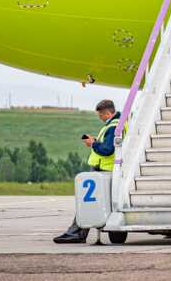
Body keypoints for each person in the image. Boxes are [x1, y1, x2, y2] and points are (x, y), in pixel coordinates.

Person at [53, 99, 121, 244]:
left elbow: (107, 150)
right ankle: (77, 232)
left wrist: (93, 144)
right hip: (108, 170)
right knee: (91, 203)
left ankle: (76, 233)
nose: (100, 118)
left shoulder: (113, 126)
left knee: (87, 202)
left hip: (104, 170)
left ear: (107, 113)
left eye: (101, 115)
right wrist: (96, 141)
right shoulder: (118, 124)